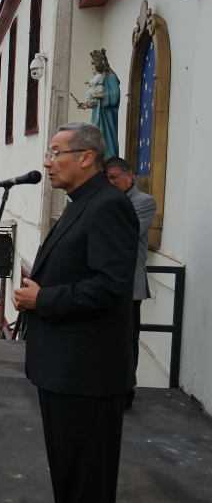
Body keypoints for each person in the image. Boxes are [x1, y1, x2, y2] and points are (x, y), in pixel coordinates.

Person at [12, 122, 138, 502]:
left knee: (86, 482)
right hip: (66, 370)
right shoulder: (82, 203)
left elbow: (110, 287)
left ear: (86, 158)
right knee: (69, 477)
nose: (47, 163)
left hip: (88, 375)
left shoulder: (108, 205)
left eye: (55, 153)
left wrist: (43, 300)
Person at [105, 156, 157, 410]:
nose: (112, 181)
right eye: (107, 178)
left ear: (129, 175)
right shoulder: (107, 201)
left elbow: (123, 233)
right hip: (104, 282)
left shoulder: (144, 202)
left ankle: (126, 391)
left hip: (129, 286)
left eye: (115, 176)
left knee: (127, 340)